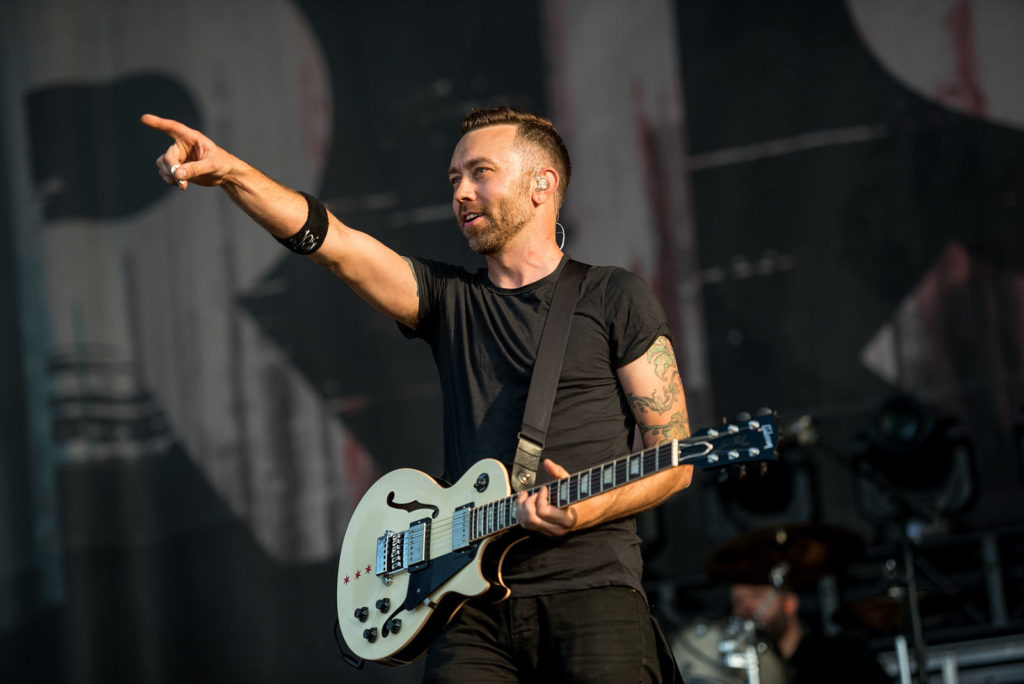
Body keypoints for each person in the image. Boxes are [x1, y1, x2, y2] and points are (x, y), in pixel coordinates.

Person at [143, 106, 693, 682]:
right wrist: (232, 173)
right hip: (469, 606)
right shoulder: (448, 299)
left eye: (481, 172)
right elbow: (336, 245)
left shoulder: (613, 296)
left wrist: (589, 508)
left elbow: (675, 458)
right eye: (455, 179)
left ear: (542, 184)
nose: (462, 192)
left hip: (592, 591)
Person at [730, 583, 890, 684]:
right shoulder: (739, 674)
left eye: (757, 594)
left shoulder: (844, 658)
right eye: (738, 602)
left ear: (790, 603)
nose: (746, 607)